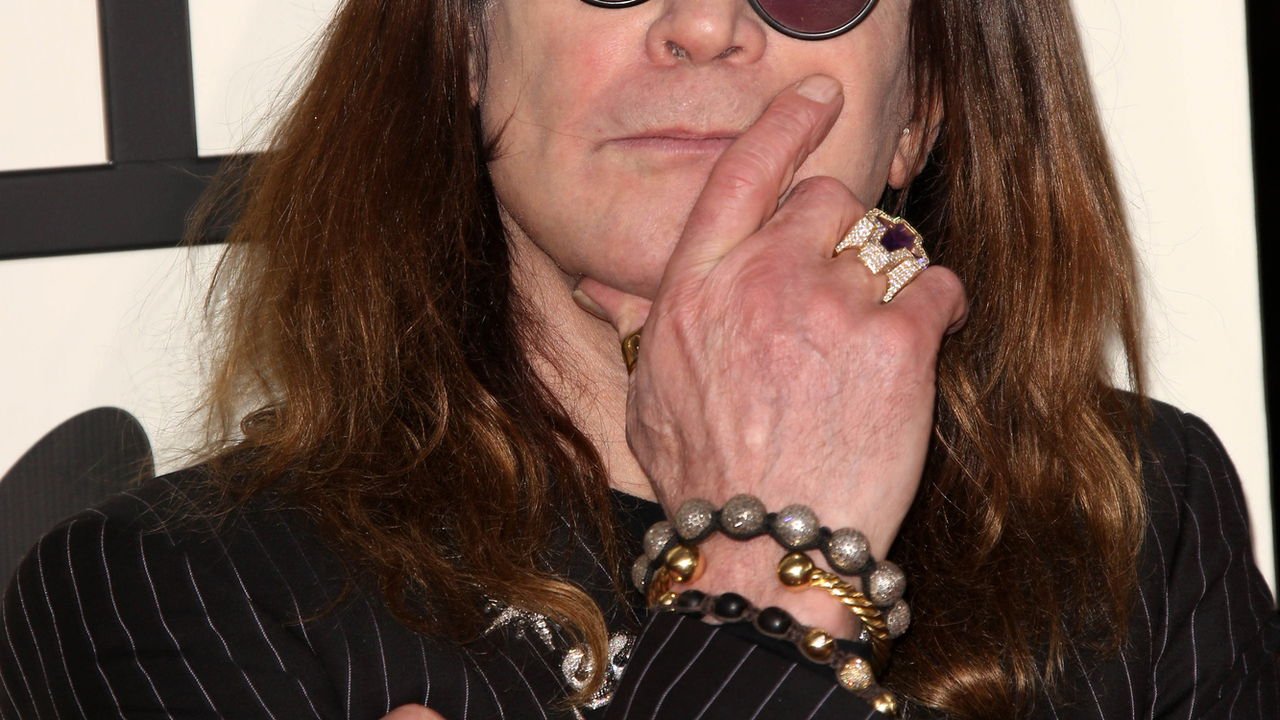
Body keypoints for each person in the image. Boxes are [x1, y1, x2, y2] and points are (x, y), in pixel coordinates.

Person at [2, 0, 1277, 717]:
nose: (706, 23)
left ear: (923, 106)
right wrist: (772, 563)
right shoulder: (168, 593)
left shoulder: (1132, 513)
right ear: (464, 46)